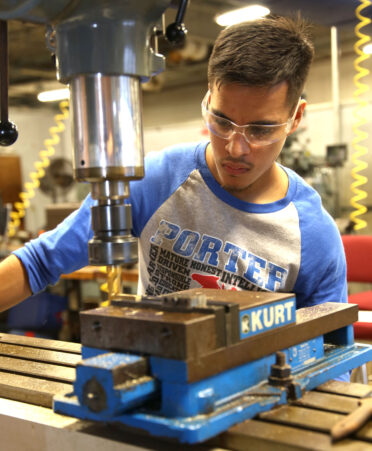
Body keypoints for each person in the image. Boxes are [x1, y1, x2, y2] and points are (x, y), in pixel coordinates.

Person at [0, 15, 347, 313]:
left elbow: (334, 359)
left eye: (261, 129)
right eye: (222, 121)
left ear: (295, 117)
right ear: (208, 99)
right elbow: (40, 262)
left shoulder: (314, 236)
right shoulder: (157, 180)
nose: (236, 148)